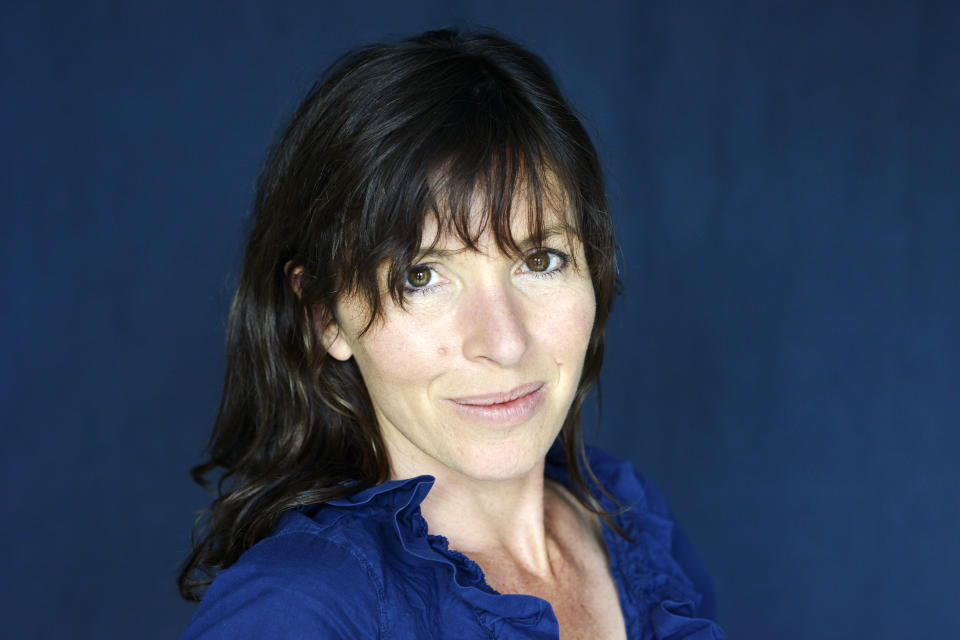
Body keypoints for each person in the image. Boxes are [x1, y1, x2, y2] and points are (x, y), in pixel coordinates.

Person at [178, 28, 725, 640]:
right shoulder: (296, 609)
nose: (504, 341)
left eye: (540, 260)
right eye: (422, 276)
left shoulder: (631, 523)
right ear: (324, 316)